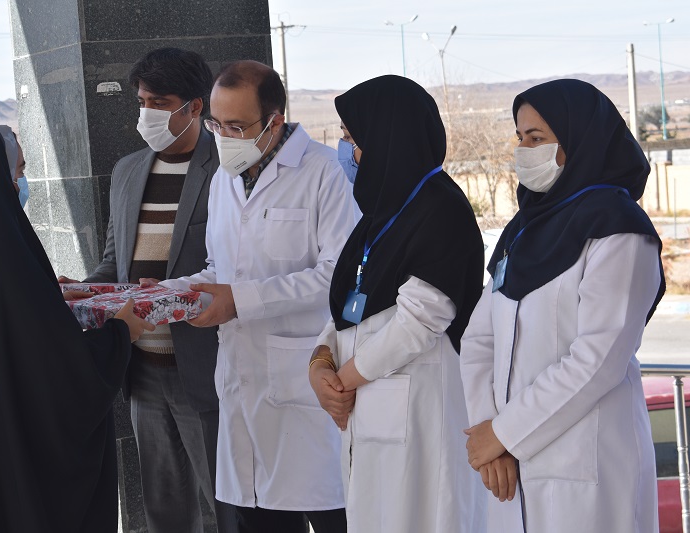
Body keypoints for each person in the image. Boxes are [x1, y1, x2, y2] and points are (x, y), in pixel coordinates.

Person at [0, 123, 154, 533]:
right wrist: (120, 333)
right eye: (17, 171)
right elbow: (56, 370)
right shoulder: (2, 254)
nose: (20, 184)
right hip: (22, 467)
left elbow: (6, 328)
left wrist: (48, 300)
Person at [157, 60, 355, 533]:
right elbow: (221, 269)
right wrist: (169, 293)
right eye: (216, 125)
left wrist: (239, 301)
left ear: (275, 122)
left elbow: (338, 276)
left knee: (330, 511)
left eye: (237, 127)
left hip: (304, 379)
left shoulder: (325, 173)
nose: (224, 137)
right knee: (257, 516)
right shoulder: (224, 178)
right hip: (241, 380)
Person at [460, 79, 665, 533]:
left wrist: (505, 434)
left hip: (588, 469)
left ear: (579, 140)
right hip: (509, 472)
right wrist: (489, 434)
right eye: (520, 137)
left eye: (536, 138)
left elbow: (598, 360)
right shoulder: (522, 230)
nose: (523, 151)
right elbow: (478, 339)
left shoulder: (620, 230)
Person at [57, 48, 235, 533]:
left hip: (209, 368)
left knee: (230, 505)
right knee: (164, 511)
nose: (147, 113)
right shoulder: (128, 171)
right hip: (143, 372)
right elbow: (115, 263)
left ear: (194, 107)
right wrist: (83, 291)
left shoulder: (227, 170)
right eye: (142, 101)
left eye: (160, 102)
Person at [308, 75, 486, 533]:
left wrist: (344, 381)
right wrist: (320, 360)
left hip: (417, 413)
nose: (347, 150)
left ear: (387, 136)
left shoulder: (441, 208)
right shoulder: (381, 211)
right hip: (367, 408)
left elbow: (422, 320)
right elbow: (348, 301)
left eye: (352, 137)